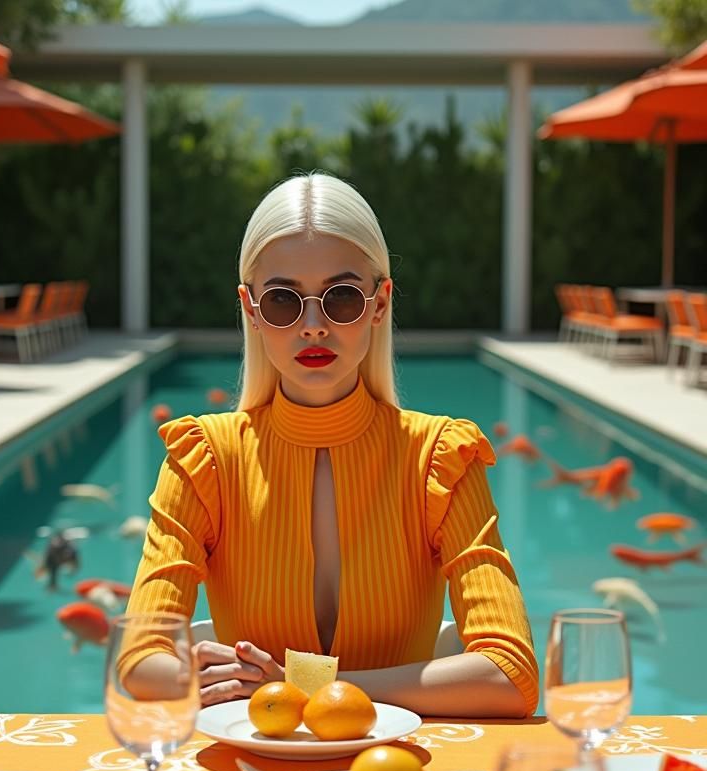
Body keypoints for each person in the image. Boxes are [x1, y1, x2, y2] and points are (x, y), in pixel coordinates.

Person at [125, 172, 539, 717]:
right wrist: (202, 675)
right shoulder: (204, 459)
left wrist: (306, 684)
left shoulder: (440, 457)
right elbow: (136, 659)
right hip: (253, 770)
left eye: (341, 298)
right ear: (250, 309)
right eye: (282, 302)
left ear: (380, 302)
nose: (314, 325)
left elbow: (512, 673)